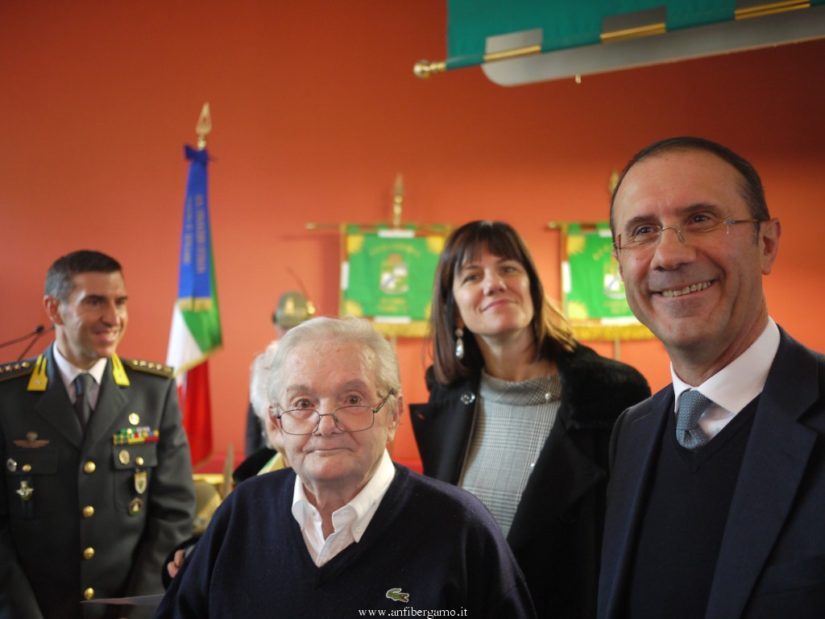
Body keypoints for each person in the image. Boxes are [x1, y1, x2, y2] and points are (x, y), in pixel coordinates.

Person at [156, 317, 536, 618]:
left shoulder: (461, 528)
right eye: (303, 403)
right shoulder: (242, 512)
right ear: (276, 422)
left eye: (352, 399)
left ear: (393, 414)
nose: (325, 424)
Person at [598, 136, 825, 619]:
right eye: (642, 231)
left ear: (766, 244)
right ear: (619, 261)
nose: (669, 255)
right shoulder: (631, 432)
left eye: (700, 219)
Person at [410, 221, 650, 619]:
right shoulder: (446, 400)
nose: (494, 284)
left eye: (508, 268)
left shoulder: (612, 395)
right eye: (472, 276)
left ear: (532, 289)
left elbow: (637, 539)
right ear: (455, 311)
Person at [0, 250, 195, 619]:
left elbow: (173, 516)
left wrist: (135, 612)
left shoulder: (154, 392)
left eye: (120, 302)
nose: (113, 317)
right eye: (94, 302)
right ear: (54, 309)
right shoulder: (7, 397)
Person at [244, 290, 314, 456]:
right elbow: (253, 423)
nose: (288, 333)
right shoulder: (264, 363)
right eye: (285, 327)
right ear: (275, 324)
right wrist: (253, 462)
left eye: (295, 327)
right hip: (268, 452)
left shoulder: (320, 362)